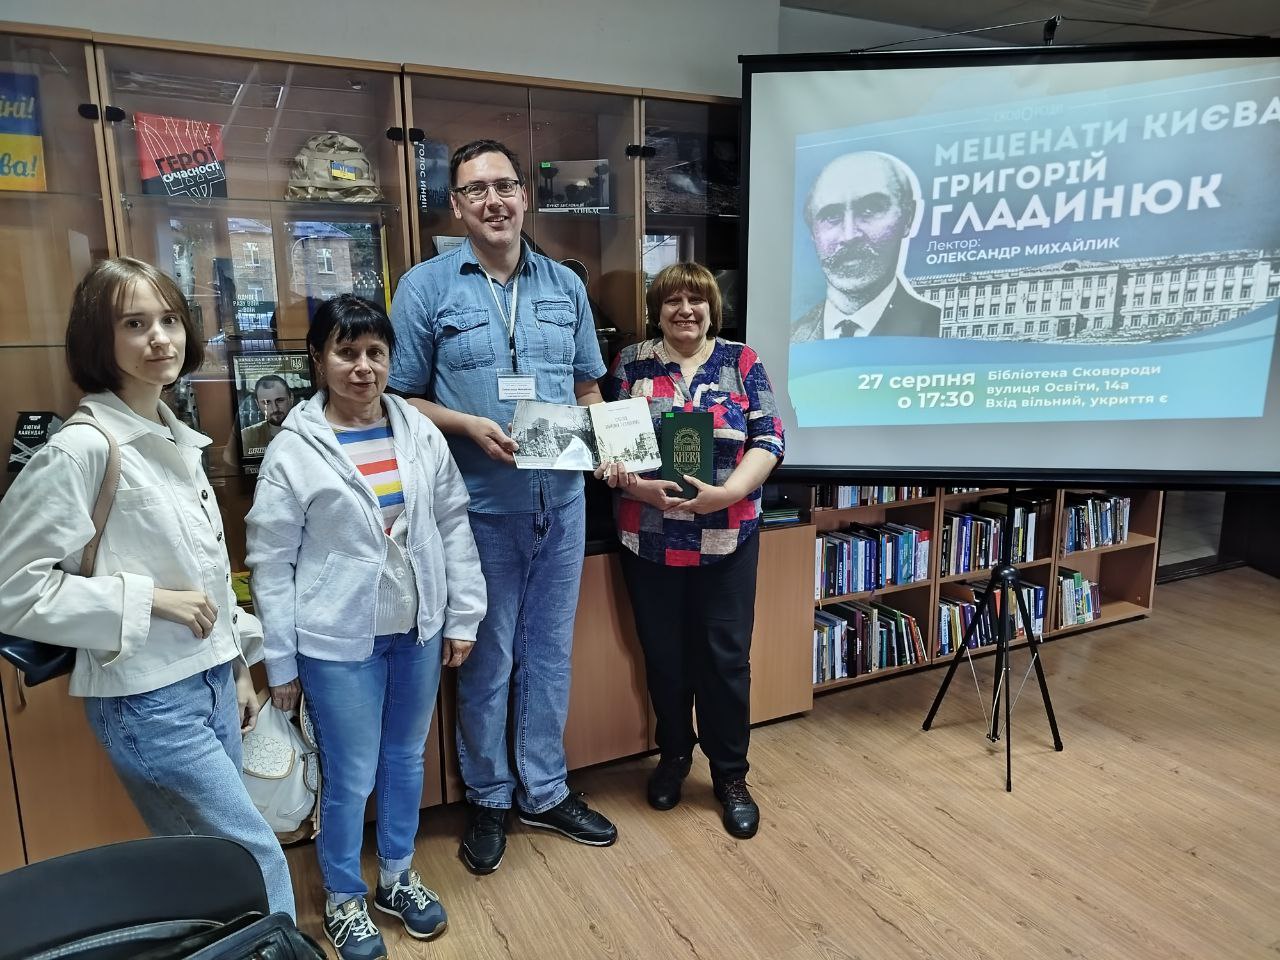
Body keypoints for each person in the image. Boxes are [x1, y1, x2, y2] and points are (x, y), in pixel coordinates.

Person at [0, 257, 294, 916]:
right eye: (134, 324)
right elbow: (11, 588)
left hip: (207, 680)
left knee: (213, 875)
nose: (160, 338)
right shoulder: (81, 449)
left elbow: (206, 570)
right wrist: (148, 600)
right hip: (147, 699)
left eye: (169, 319)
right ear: (98, 338)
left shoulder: (173, 436)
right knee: (250, 862)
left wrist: (236, 667)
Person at [388, 138, 616, 876]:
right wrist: (466, 424)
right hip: (478, 510)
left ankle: (544, 791)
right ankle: (488, 796)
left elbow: (588, 387)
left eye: (505, 186)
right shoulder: (425, 288)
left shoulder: (565, 285)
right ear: (456, 206)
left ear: (525, 196)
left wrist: (613, 445)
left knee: (549, 657)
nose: (494, 201)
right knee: (486, 662)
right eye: (476, 190)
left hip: (564, 503)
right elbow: (398, 398)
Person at [246, 295, 485, 960]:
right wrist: (281, 663)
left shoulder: (419, 432)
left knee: (406, 759)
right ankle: (344, 898)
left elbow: (452, 526)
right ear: (318, 359)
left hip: (417, 631)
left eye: (375, 353)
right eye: (346, 352)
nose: (362, 367)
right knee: (350, 775)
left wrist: (462, 615)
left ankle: (397, 877)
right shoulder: (293, 449)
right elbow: (271, 562)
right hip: (336, 642)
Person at [600, 261, 785, 838]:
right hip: (649, 538)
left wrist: (727, 493)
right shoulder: (631, 364)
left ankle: (731, 775)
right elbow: (609, 446)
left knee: (726, 662)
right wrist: (632, 484)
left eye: (696, 300)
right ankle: (675, 756)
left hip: (727, 537)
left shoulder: (741, 361)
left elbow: (769, 438)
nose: (685, 310)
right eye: (672, 300)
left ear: (711, 309)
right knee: (664, 658)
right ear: (656, 310)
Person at [792, 150, 940, 341]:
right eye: (832, 216)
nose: (849, 236)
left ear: (908, 218)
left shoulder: (936, 328)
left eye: (870, 209)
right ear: (813, 232)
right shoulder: (792, 337)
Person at [240, 374, 294, 456]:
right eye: (266, 402)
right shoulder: (247, 436)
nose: (275, 409)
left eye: (280, 400)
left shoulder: (308, 431)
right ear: (257, 404)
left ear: (291, 398)